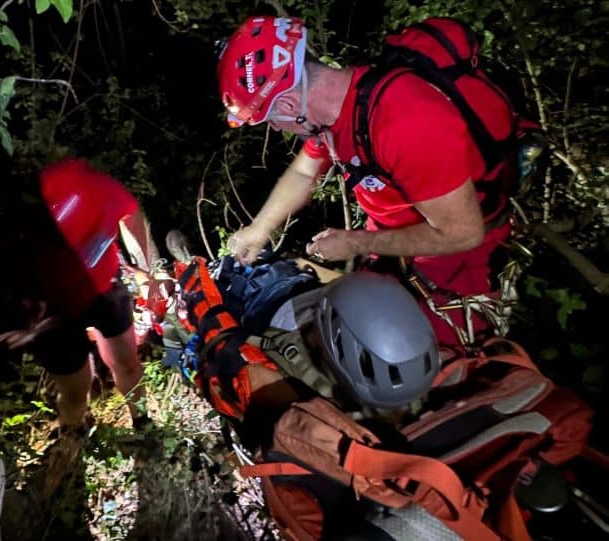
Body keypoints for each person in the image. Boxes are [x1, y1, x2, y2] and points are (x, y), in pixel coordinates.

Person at [215, 15, 522, 346]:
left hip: (455, 266)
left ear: (290, 103)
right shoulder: (340, 111)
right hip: (393, 250)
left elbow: (462, 233)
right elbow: (304, 171)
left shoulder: (406, 122)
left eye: (273, 120)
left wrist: (355, 243)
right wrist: (259, 229)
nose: (276, 128)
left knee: (423, 366)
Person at [27, 158, 154, 493]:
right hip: (51, 309)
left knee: (124, 363)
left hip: (103, 289)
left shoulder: (103, 191)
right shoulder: (27, 213)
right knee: (76, 387)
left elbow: (132, 213)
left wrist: (143, 267)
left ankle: (142, 423)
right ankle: (72, 436)